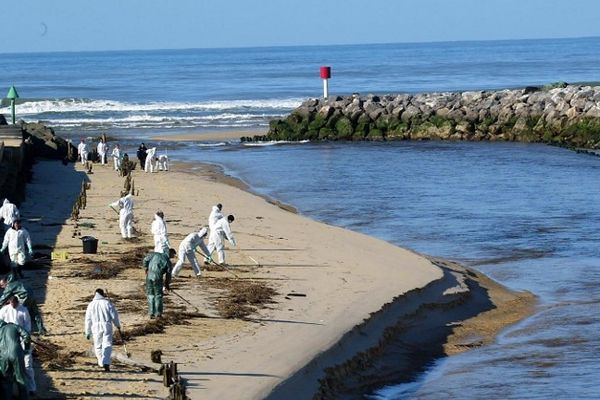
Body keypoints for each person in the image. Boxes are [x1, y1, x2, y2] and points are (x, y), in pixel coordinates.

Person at [0, 296, 35, 395]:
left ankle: (31, 388)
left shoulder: (23, 311)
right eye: (11, 304)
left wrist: (26, 347)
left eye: (14, 304)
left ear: (17, 302)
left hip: (21, 341)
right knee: (10, 373)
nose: (13, 305)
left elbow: (27, 327)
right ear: (9, 303)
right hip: (9, 343)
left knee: (27, 366)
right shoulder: (4, 311)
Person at [84, 288, 121, 372]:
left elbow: (88, 319)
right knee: (107, 344)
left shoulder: (91, 304)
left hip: (95, 327)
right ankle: (106, 362)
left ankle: (101, 362)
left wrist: (87, 331)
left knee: (98, 346)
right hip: (107, 325)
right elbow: (114, 316)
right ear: (103, 294)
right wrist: (117, 325)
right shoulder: (107, 303)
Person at [0, 319, 31, 399]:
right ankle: (23, 397)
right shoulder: (14, 326)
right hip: (16, 354)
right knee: (20, 378)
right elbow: (27, 336)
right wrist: (26, 349)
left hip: (3, 357)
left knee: (6, 380)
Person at [143, 249, 175, 319]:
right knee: (158, 295)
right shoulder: (168, 262)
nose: (173, 257)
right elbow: (168, 275)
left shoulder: (155, 255)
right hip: (157, 278)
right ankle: (158, 313)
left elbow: (145, 259)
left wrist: (146, 269)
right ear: (170, 253)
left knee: (150, 295)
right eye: (173, 255)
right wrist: (167, 285)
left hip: (149, 277)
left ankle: (151, 313)